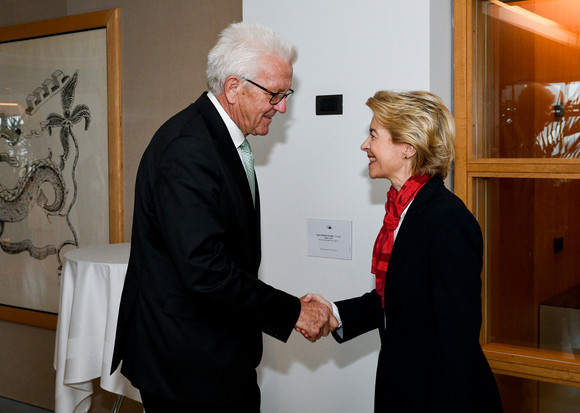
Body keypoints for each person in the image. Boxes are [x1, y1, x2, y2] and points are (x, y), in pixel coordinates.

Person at [111, 22, 336, 413]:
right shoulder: (189, 149)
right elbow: (204, 268)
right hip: (188, 364)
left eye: (287, 94)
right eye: (275, 94)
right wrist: (293, 310)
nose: (282, 107)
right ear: (234, 88)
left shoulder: (218, 139)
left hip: (214, 352)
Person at [303, 91, 503, 412]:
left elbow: (456, 340)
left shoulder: (446, 219)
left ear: (408, 147)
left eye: (373, 135)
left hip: (436, 397)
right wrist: (335, 314)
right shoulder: (402, 211)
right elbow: (399, 301)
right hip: (405, 389)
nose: (364, 145)